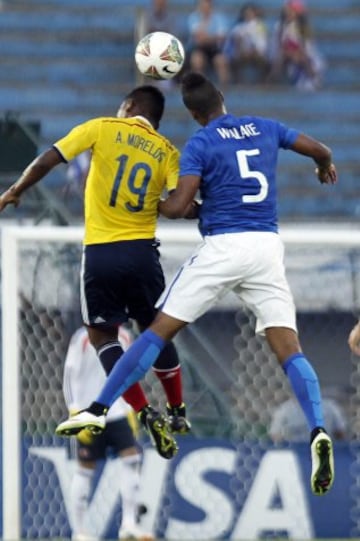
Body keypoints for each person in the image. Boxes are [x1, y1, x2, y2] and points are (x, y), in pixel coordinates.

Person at [55, 71, 337, 496]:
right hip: (267, 249)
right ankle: (317, 427)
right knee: (289, 350)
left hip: (222, 249)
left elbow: (178, 206)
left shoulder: (201, 144)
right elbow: (319, 148)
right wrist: (323, 164)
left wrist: (153, 198)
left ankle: (97, 408)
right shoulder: (265, 126)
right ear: (223, 98)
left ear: (192, 114)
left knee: (157, 331)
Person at [0, 84, 192, 460]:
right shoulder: (169, 152)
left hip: (101, 252)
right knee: (157, 330)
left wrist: (14, 191)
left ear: (129, 106)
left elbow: (48, 159)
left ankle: (144, 411)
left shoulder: (101, 127)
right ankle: (177, 409)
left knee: (103, 335)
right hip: (143, 255)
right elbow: (180, 205)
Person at [64, 324, 153, 541]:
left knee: (132, 458)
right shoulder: (82, 338)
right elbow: (69, 374)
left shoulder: (124, 336)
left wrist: (131, 409)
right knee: (85, 469)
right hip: (88, 412)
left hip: (117, 411)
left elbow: (130, 375)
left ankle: (129, 525)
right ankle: (80, 531)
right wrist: (74, 409)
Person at [267, 0, 326, 91]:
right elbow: (277, 44)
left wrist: (297, 52)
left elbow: (308, 45)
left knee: (303, 57)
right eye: (287, 12)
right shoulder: (279, 26)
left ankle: (313, 78)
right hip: (284, 53)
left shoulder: (303, 27)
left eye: (291, 12)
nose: (288, 14)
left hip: (301, 53)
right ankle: (272, 80)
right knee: (281, 56)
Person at [223, 2, 269, 85]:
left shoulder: (261, 26)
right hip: (241, 54)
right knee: (233, 59)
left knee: (262, 60)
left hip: (256, 54)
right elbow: (231, 43)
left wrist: (253, 51)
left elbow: (262, 45)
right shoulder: (238, 27)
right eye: (246, 13)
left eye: (250, 12)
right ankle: (237, 82)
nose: (248, 15)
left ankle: (262, 83)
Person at [269, 395, 347, 443]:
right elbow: (275, 435)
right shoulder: (285, 410)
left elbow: (340, 433)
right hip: (296, 451)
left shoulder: (330, 407)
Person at [186, 0, 230, 86]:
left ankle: (224, 90)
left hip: (215, 48)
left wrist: (206, 37)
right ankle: (199, 89)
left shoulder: (219, 18)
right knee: (197, 60)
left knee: (221, 61)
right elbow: (198, 38)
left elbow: (222, 38)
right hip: (199, 48)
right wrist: (205, 21)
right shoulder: (193, 17)